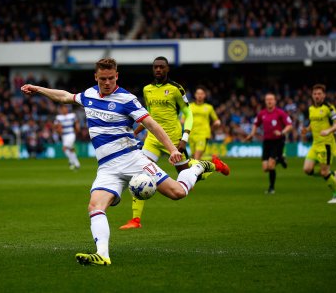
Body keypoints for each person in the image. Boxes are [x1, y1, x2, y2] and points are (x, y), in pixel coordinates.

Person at [21, 57, 230, 266]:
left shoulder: (126, 99)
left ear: (117, 76)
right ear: (96, 77)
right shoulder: (89, 94)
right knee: (95, 206)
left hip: (133, 159)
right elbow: (65, 96)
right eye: (103, 78)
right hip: (107, 167)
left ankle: (198, 167)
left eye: (111, 78)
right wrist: (38, 89)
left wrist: (173, 149)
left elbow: (152, 125)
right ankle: (102, 254)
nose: (107, 82)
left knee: (177, 193)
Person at [119, 57, 229, 230]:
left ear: (167, 69)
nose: (158, 70)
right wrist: (135, 132)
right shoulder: (147, 90)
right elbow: (149, 114)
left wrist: (184, 138)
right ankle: (135, 220)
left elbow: (188, 113)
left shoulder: (176, 89)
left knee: (185, 176)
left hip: (173, 140)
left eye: (161, 67)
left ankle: (213, 166)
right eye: (155, 67)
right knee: (141, 174)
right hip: (153, 139)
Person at [244, 93, 293, 194]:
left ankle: (271, 188)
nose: (269, 101)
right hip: (267, 142)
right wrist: (251, 134)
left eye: (271, 99)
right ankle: (280, 159)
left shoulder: (280, 113)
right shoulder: (262, 113)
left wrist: (282, 132)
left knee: (271, 165)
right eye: (267, 100)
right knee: (265, 168)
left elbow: (289, 125)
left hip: (278, 141)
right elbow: (255, 124)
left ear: (275, 101)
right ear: (265, 102)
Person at [301, 84, 336, 203]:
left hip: (326, 145)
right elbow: (313, 123)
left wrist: (329, 130)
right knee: (307, 170)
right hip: (315, 145)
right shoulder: (311, 108)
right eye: (315, 94)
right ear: (312, 95)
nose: (317, 96)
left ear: (324, 95)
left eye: (319, 94)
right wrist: (307, 129)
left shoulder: (329, 108)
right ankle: (332, 175)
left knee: (324, 171)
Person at [189, 86, 221, 159]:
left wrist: (214, 125)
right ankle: (213, 161)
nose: (200, 95)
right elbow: (183, 119)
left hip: (203, 134)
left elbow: (216, 120)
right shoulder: (189, 107)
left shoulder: (209, 107)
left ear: (204, 95)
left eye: (202, 93)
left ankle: (213, 162)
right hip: (192, 134)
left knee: (196, 158)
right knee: (194, 158)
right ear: (195, 95)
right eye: (198, 93)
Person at [54, 104, 81, 170]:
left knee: (64, 148)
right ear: (60, 110)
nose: (64, 110)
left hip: (71, 134)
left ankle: (75, 163)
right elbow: (56, 126)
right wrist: (58, 130)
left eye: (65, 108)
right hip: (64, 135)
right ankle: (73, 162)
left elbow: (77, 123)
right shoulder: (58, 117)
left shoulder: (72, 116)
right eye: (62, 109)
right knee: (71, 149)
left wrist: (77, 129)